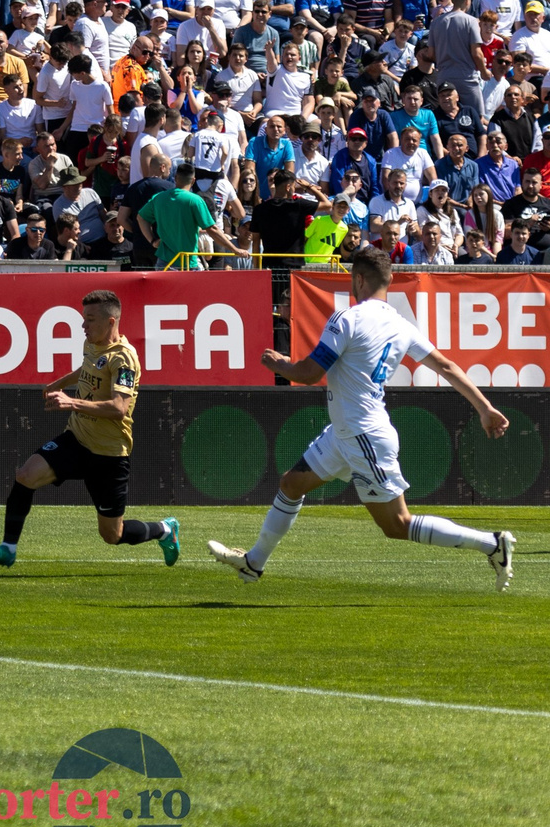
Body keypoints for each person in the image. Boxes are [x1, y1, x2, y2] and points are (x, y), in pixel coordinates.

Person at [207, 242, 516, 586]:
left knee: (397, 525)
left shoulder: (347, 318)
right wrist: (484, 407)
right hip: (347, 432)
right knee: (292, 483)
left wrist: (282, 365)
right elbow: (445, 365)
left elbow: (309, 373)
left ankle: (492, 544)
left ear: (357, 279)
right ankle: (254, 562)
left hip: (362, 433)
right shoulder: (401, 325)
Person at [0, 288, 179, 568]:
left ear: (111, 322)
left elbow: (119, 409)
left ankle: (165, 530)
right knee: (25, 475)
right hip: (77, 439)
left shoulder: (124, 358)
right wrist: (60, 382)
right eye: (84, 318)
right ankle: (8, 548)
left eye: (90, 319)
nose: (83, 325)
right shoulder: (92, 344)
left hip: (108, 454)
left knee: (112, 535)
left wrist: (72, 402)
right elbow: (87, 369)